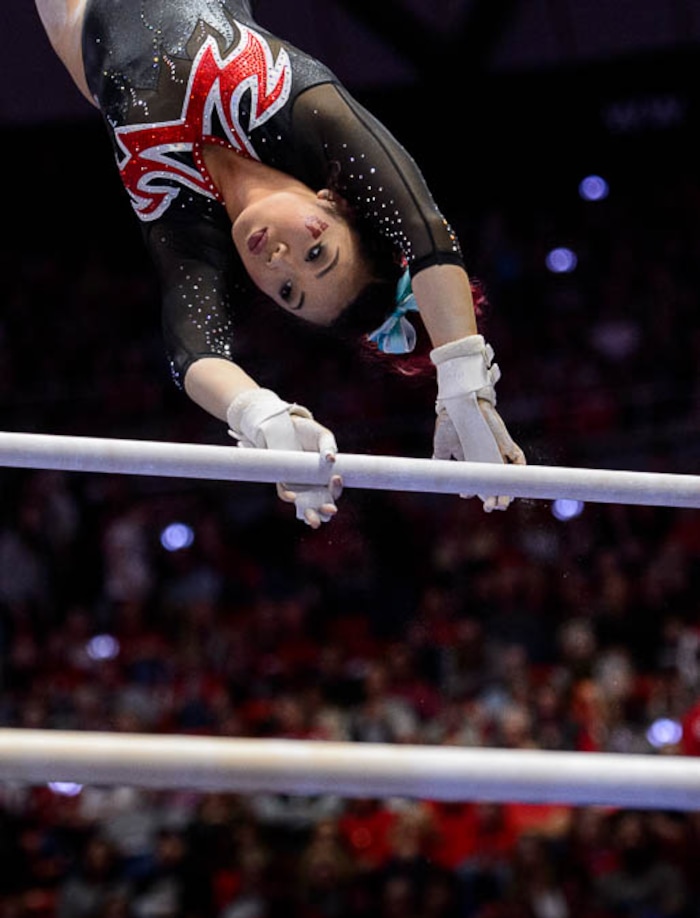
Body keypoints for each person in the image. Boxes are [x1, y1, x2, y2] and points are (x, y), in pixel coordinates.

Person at [35, 0, 526, 528]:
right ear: (334, 201)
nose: (280, 262)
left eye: (288, 291)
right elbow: (423, 228)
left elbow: (193, 352)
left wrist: (259, 412)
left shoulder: (183, 218)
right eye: (317, 254)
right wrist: (461, 379)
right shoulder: (295, 109)